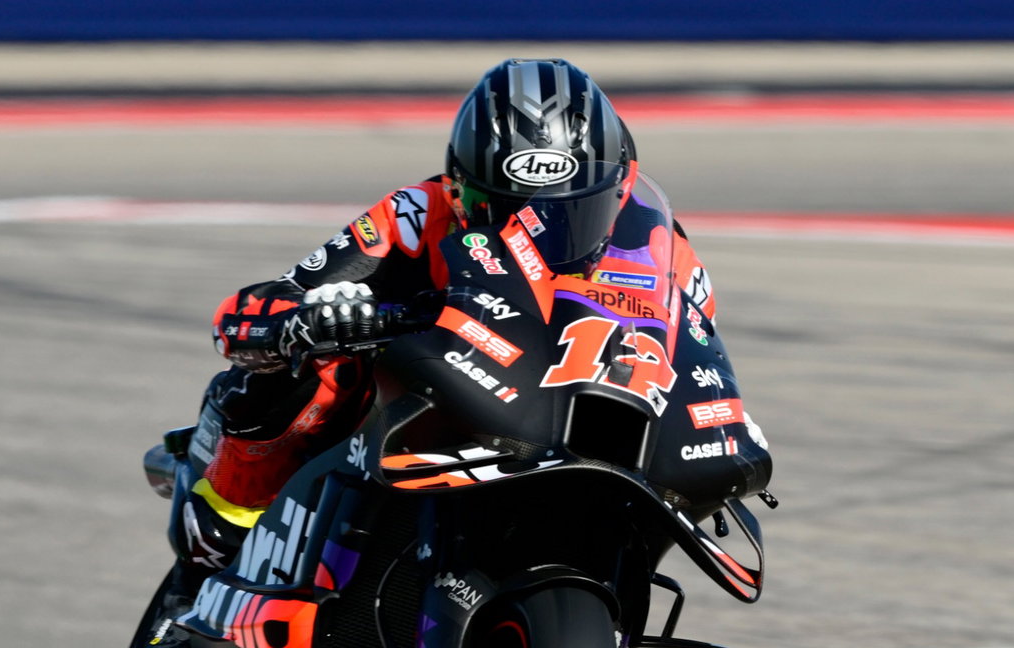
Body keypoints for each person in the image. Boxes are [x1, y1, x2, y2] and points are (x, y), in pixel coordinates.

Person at [184, 57, 765, 568]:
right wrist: (302, 320)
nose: (534, 232)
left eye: (572, 214)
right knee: (312, 372)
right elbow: (269, 301)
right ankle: (233, 513)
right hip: (435, 382)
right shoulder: (416, 211)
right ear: (458, 185)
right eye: (499, 209)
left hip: (560, 420)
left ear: (619, 189)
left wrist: (722, 420)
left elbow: (694, 347)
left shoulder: (663, 249)